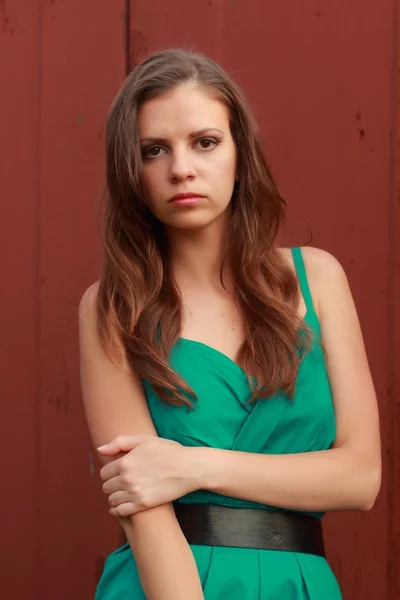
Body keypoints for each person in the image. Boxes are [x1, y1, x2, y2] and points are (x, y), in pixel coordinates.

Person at [78, 48, 381, 600]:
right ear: (131, 170)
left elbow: (361, 479)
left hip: (301, 584)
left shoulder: (319, 279)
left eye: (205, 142)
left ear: (241, 151)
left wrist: (193, 466)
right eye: (153, 151)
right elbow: (145, 508)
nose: (181, 169)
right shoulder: (112, 307)